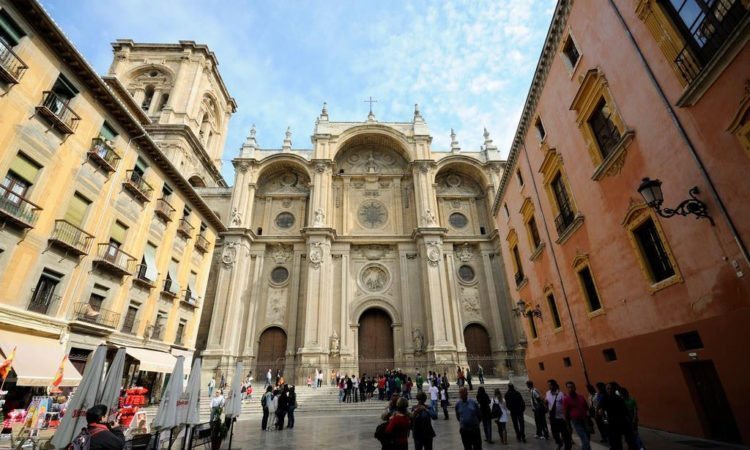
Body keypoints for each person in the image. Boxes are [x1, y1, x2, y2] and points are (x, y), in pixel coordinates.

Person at [598, 382, 637, 450]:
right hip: (613, 424)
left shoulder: (619, 398)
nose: (609, 390)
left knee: (630, 441)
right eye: (607, 389)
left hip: (623, 422)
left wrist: (631, 421)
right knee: (616, 442)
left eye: (610, 388)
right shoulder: (605, 398)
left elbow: (626, 411)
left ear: (613, 389)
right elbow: (601, 408)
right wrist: (601, 411)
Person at [563, 381, 591, 450]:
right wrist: (568, 425)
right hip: (576, 422)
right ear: (567, 388)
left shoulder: (581, 397)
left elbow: (586, 408)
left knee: (587, 439)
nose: (571, 389)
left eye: (572, 387)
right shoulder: (566, 399)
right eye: (569, 387)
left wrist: (588, 421)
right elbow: (566, 413)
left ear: (575, 387)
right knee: (585, 439)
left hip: (585, 420)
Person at [546, 379, 572, 450]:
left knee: (565, 434)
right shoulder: (547, 393)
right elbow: (548, 403)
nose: (549, 386)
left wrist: (567, 416)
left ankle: (567, 447)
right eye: (548, 385)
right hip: (552, 417)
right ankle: (559, 443)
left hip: (561, 418)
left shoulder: (561, 394)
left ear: (554, 385)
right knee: (555, 434)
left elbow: (566, 405)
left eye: (550, 385)